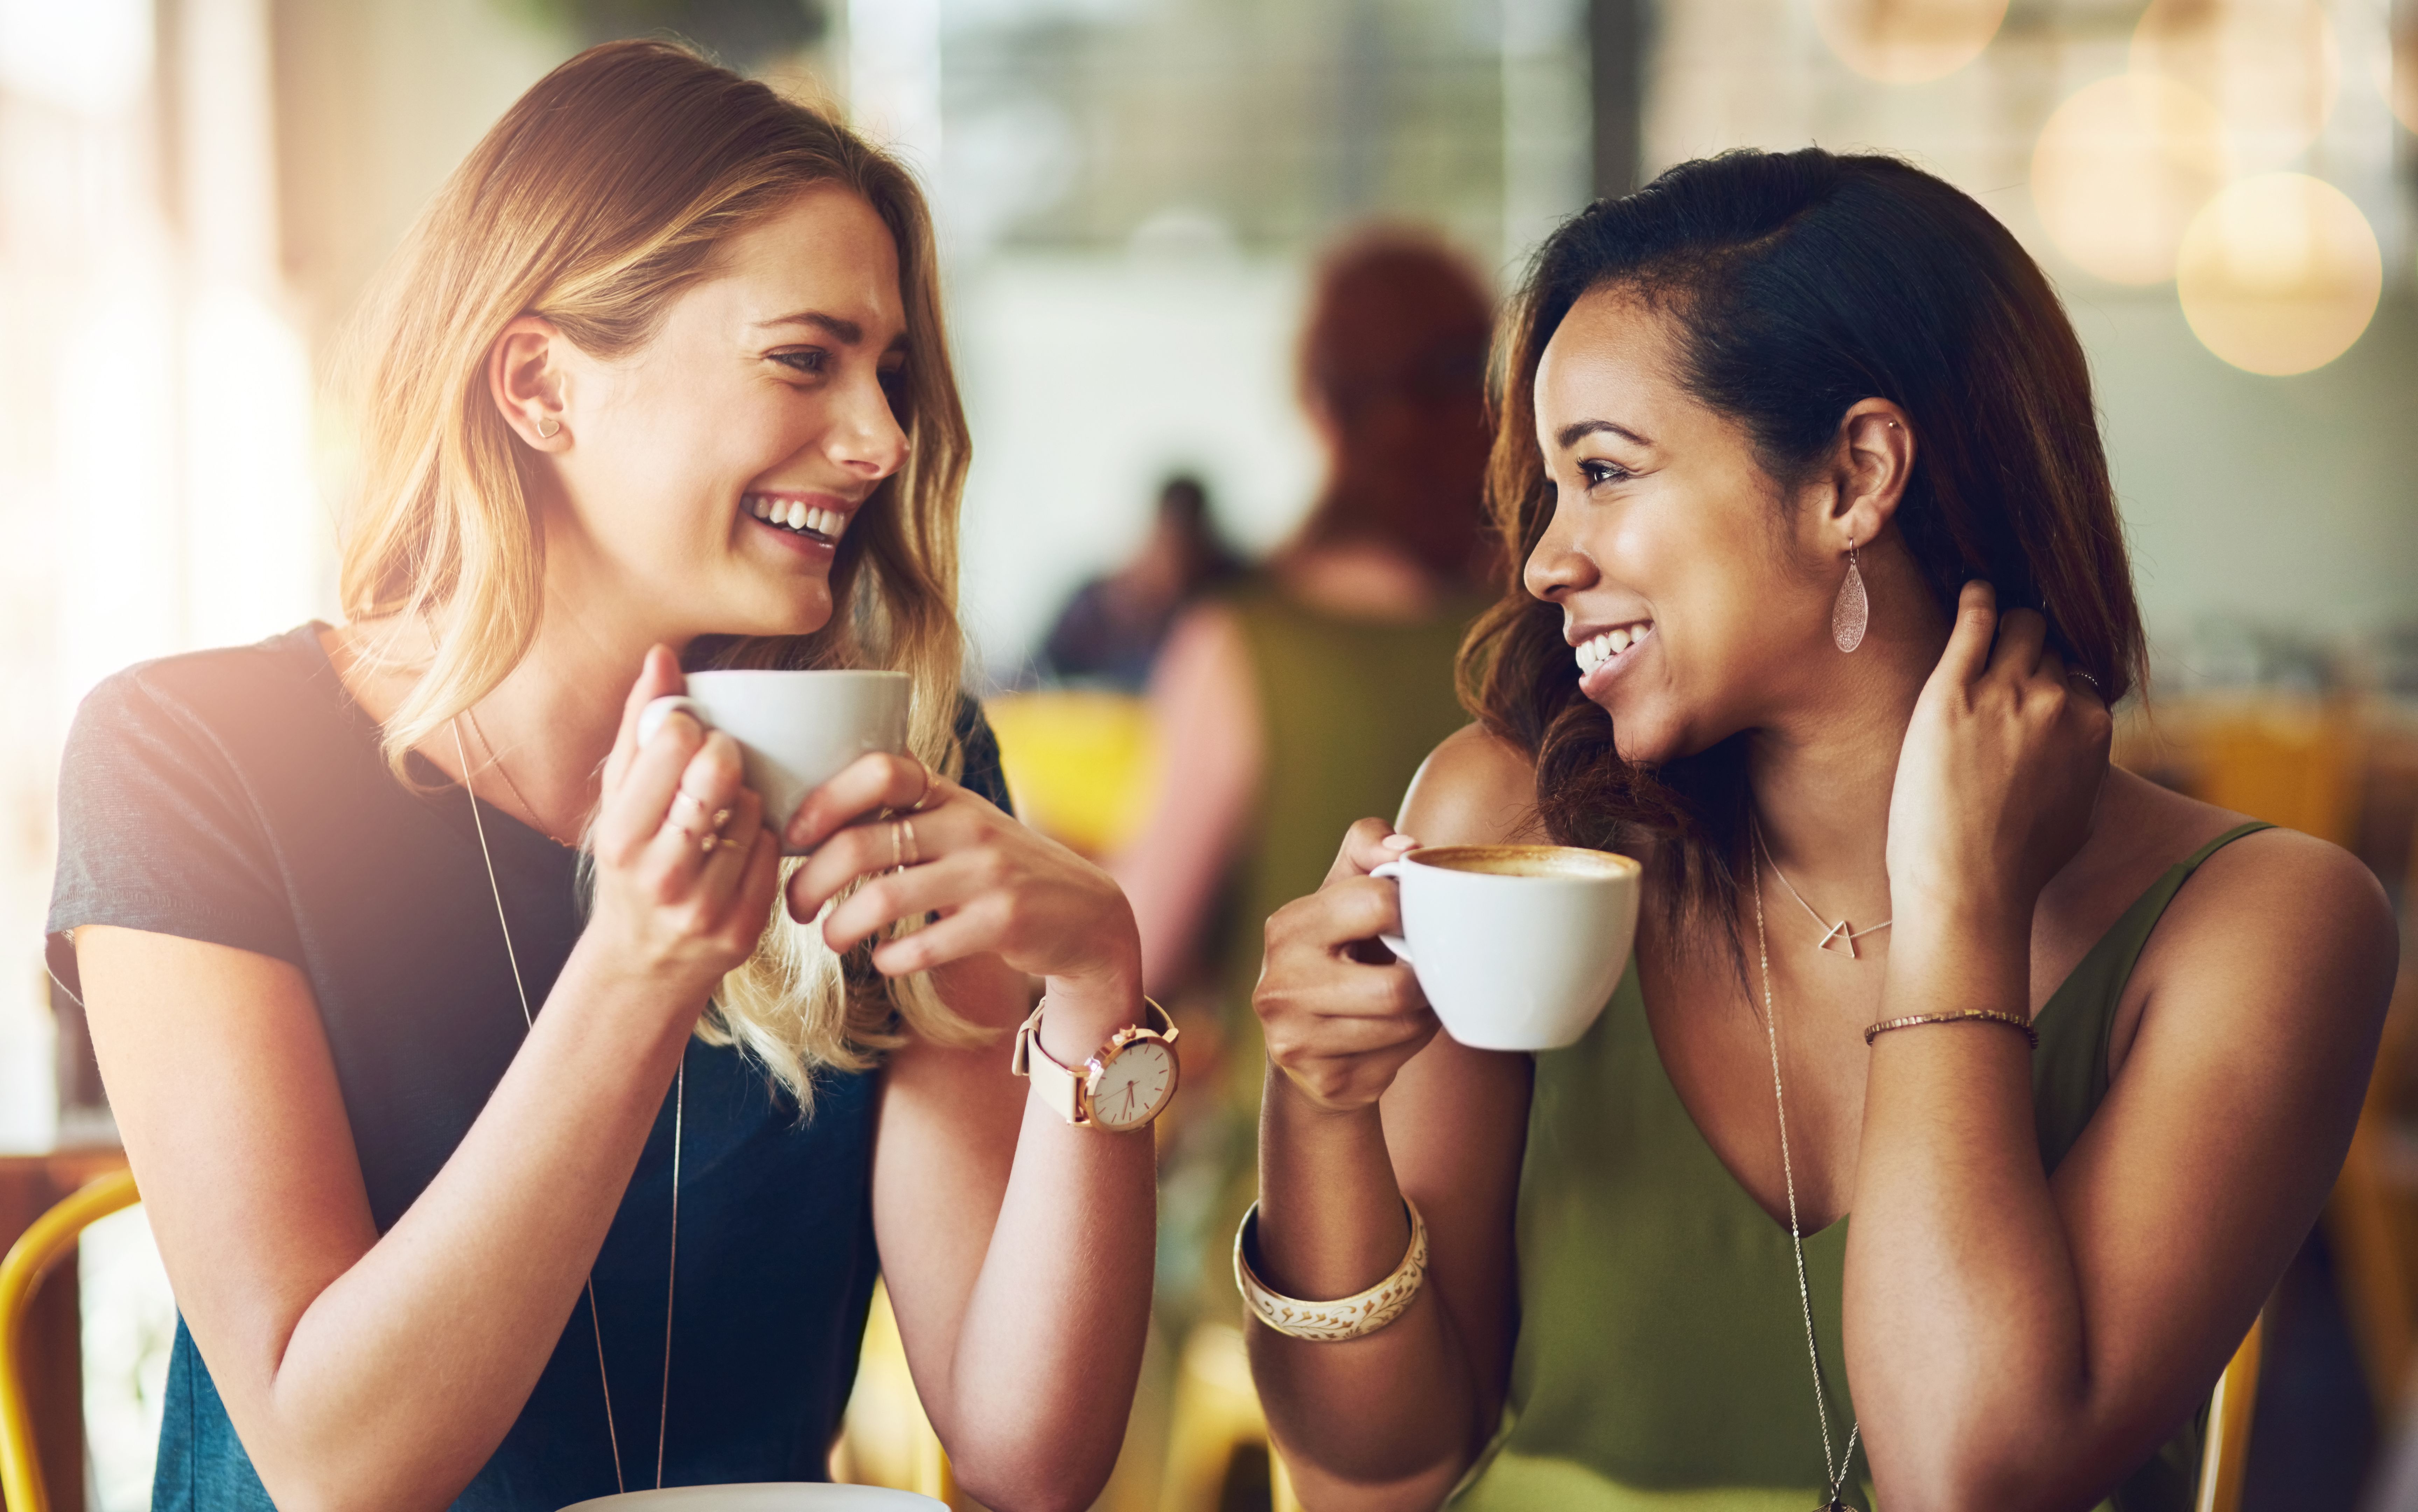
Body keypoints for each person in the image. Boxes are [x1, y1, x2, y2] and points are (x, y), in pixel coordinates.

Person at [45, 42, 1164, 1512]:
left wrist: (1095, 988)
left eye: (890, 376)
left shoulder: (889, 765)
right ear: (540, 386)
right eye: (803, 358)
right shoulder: (190, 758)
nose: (884, 439)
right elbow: (333, 1463)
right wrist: (638, 968)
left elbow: (1030, 1461)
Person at [1241, 149, 2397, 1511]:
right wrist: (1320, 1110)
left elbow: (1966, 1472)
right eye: (1546, 491)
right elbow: (1376, 1478)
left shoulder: (2259, 929)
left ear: (1854, 475)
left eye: (1603, 473)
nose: (1546, 558)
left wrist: (1954, 912)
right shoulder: (1509, 833)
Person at [1109, 229, 1494, 1326]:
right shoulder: (1546, 634)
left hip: (1313, 1202)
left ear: (1319, 406)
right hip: (1532, 1192)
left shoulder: (1245, 643)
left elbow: (1141, 945)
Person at [1040, 474, 1242, 690]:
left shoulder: (1220, 606)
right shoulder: (1096, 603)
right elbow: (1040, 671)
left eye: (1185, 550)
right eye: (1168, 547)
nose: (1174, 563)